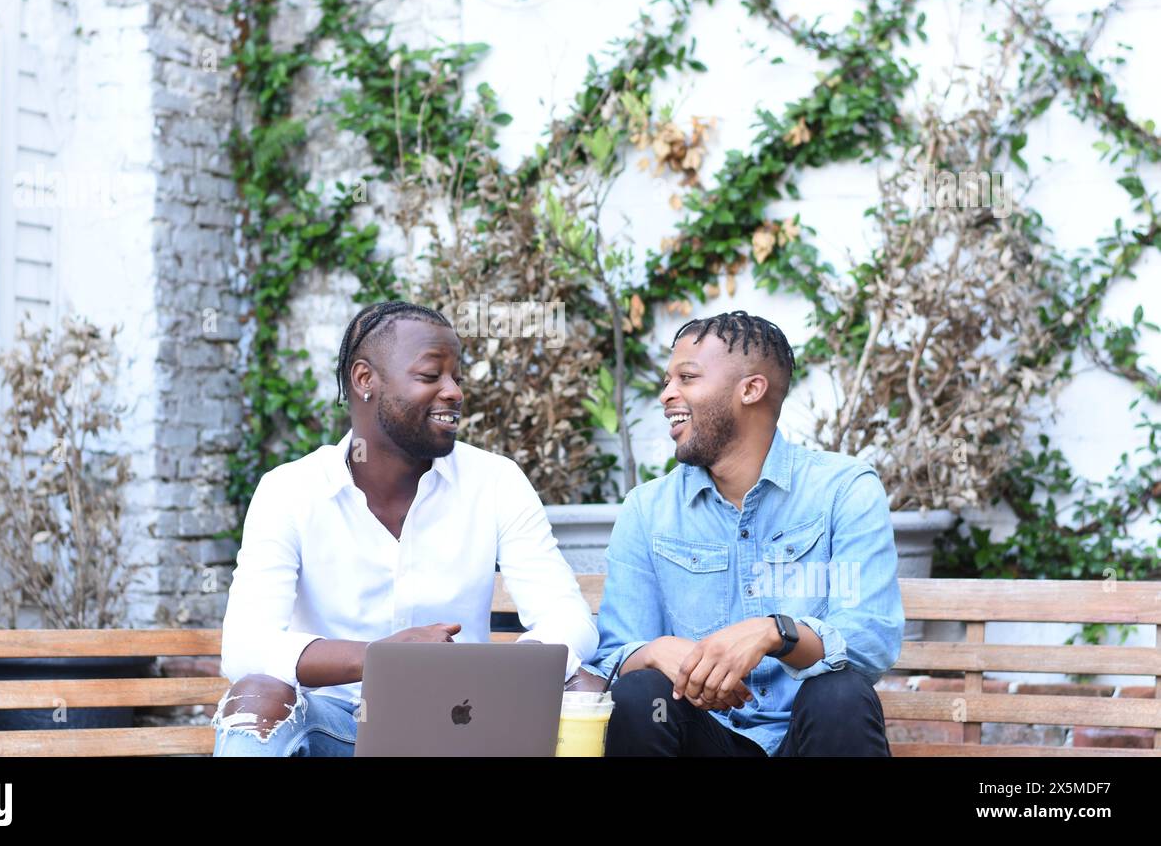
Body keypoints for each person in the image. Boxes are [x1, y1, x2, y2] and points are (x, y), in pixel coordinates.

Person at [212, 300, 598, 756]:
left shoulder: (496, 481)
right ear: (364, 380)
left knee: (584, 687)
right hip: (334, 732)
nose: (454, 391)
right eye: (431, 375)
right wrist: (383, 656)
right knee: (256, 697)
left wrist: (492, 671)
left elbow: (568, 620)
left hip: (464, 723)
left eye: (456, 376)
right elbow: (244, 648)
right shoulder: (290, 491)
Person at [573, 310, 903, 756]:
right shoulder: (647, 509)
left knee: (840, 692)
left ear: (751, 389)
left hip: (807, 738)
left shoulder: (842, 490)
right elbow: (614, 656)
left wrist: (775, 633)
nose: (667, 394)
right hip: (703, 737)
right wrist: (654, 652)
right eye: (668, 381)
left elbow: (870, 642)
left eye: (686, 378)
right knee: (641, 694)